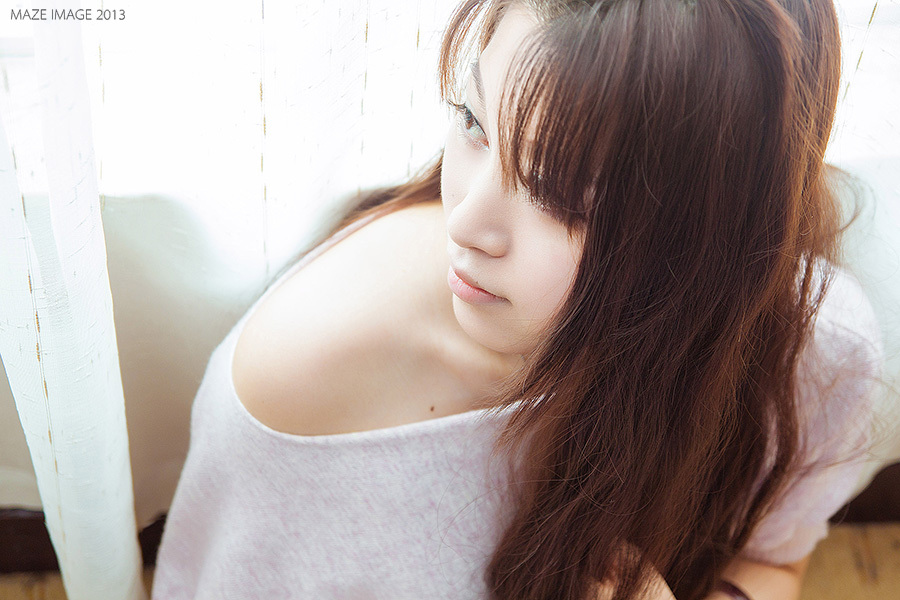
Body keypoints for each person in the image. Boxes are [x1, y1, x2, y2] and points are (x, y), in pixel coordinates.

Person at [151, 1, 883, 599]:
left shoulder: (813, 353)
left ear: (707, 239)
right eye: (473, 121)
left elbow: (770, 560)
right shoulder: (310, 378)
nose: (466, 224)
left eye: (558, 195)